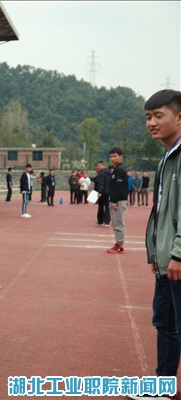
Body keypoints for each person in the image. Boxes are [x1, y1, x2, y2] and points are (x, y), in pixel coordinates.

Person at [143, 90, 181, 392]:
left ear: (179, 118)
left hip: (177, 259)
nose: (152, 123)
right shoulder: (165, 158)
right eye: (148, 117)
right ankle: (162, 387)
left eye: (159, 115)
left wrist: (178, 254)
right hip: (166, 259)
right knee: (165, 324)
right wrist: (157, 253)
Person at [107, 147, 128, 254]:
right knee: (115, 223)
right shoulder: (116, 169)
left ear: (120, 157)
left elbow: (118, 187)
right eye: (111, 156)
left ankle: (120, 245)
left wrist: (114, 201)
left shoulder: (120, 169)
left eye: (115, 156)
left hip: (119, 200)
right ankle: (117, 243)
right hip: (115, 199)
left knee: (119, 223)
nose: (112, 158)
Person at [93, 161, 111, 226]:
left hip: (103, 192)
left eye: (98, 166)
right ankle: (107, 222)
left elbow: (101, 183)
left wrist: (100, 192)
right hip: (108, 192)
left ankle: (100, 221)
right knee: (107, 207)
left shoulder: (101, 173)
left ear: (102, 165)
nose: (97, 167)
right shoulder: (110, 173)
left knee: (101, 206)